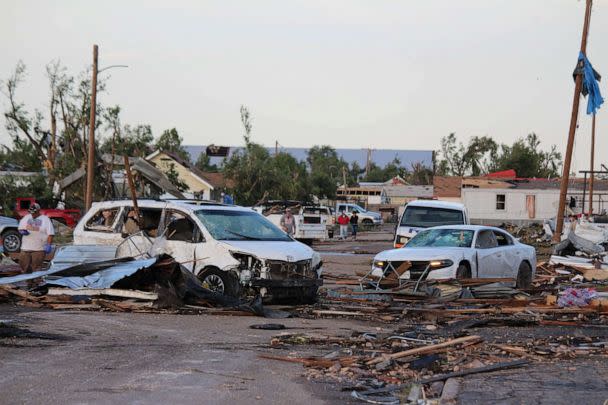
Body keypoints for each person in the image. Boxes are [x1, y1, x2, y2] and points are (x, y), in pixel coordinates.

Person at [18, 203, 54, 273]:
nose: (32, 214)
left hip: (39, 249)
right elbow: (20, 228)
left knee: (36, 269)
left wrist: (48, 245)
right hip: (25, 248)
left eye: (34, 212)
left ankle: (36, 283)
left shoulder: (45, 219)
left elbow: (50, 234)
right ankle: (27, 283)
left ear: (38, 210)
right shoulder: (26, 217)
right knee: (23, 268)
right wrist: (22, 231)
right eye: (31, 212)